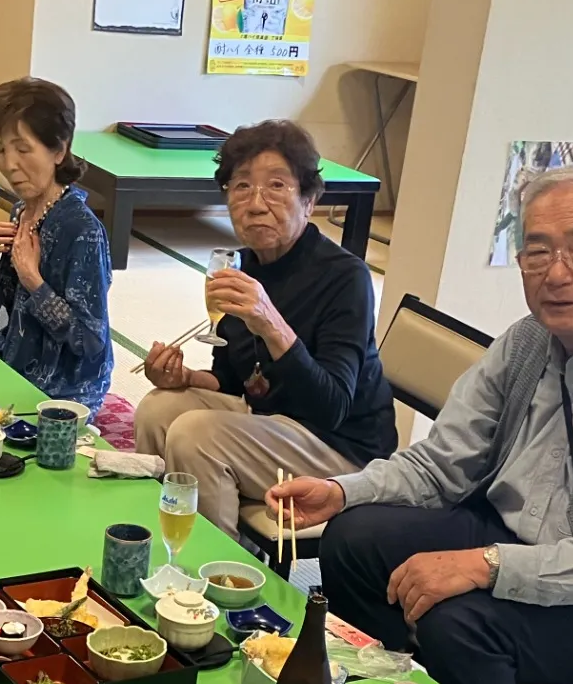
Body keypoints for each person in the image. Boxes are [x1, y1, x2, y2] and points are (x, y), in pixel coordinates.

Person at [270, 164, 573, 684]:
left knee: (458, 622)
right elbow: (442, 464)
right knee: (353, 538)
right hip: (509, 535)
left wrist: (482, 566)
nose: (556, 274)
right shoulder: (528, 340)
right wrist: (343, 492)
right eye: (537, 252)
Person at [133, 120, 393, 536]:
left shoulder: (346, 277)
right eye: (241, 187)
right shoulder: (241, 266)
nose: (255, 203)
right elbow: (234, 380)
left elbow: (333, 406)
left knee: (196, 435)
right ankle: (157, 535)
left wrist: (271, 323)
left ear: (309, 201)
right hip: (270, 420)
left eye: (276, 186)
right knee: (159, 407)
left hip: (340, 446)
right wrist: (184, 377)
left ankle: (216, 571)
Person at [0, 78, 112, 410]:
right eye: (0, 148)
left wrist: (34, 280)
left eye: (23, 149)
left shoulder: (82, 230)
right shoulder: (24, 208)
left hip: (64, 389)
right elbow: (10, 307)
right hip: (14, 364)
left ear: (59, 150)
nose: (9, 164)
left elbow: (91, 341)